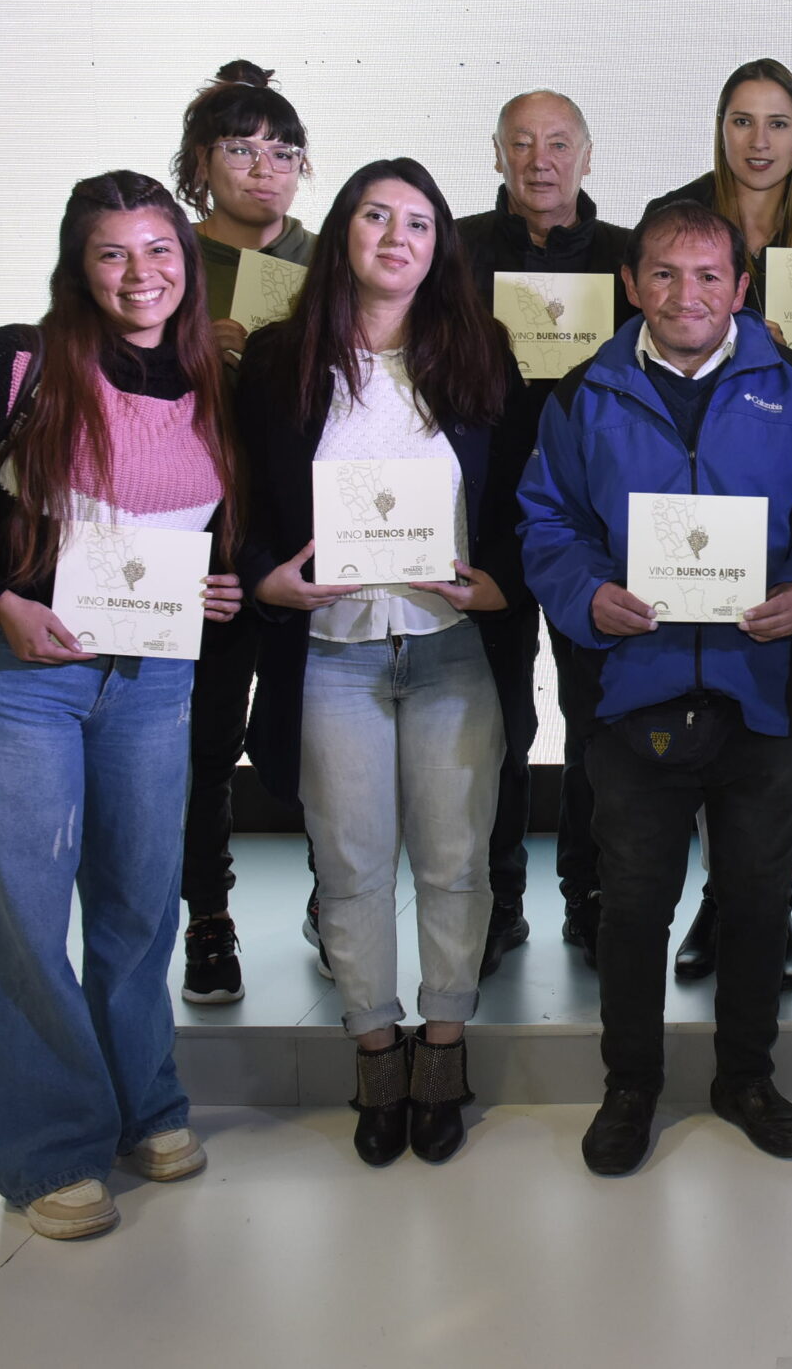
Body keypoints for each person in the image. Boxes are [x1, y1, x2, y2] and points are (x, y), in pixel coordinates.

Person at [0, 170, 243, 1239]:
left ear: (188, 259)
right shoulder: (19, 363)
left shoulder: (211, 376)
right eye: (113, 253)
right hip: (19, 679)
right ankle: (47, 1149)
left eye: (160, 250)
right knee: (21, 919)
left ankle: (146, 1107)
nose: (141, 274)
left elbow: (187, 525)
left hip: (153, 676)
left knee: (140, 906)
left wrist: (215, 585)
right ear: (79, 267)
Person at [519, 200, 792, 1177]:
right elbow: (545, 520)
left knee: (757, 897)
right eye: (666, 274)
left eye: (710, 275)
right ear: (631, 284)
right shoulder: (582, 394)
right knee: (633, 905)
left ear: (742, 287)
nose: (688, 295)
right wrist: (587, 594)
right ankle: (630, 1085)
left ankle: (746, 1077)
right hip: (630, 693)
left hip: (762, 690)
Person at [235, 158, 527, 1168]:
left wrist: (501, 582)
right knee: (350, 864)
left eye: (418, 222)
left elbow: (522, 497)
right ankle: (374, 1050)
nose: (397, 237)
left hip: (451, 648)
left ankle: (442, 1048)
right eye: (375, 215)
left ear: (441, 245)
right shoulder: (277, 361)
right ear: (342, 231)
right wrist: (264, 578)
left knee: (455, 862)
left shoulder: (481, 353)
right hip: (329, 655)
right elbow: (237, 498)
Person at [641, 58, 792, 988]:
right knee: (702, 708)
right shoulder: (672, 219)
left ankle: (768, 900)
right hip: (688, 506)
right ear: (720, 129)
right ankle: (719, 895)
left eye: (778, 122)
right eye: (742, 120)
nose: (759, 141)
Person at [456, 89, 632, 979]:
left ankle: (589, 892)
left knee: (595, 719)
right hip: (479, 522)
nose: (540, 160)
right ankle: (496, 897)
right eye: (521, 143)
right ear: (496, 155)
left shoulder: (628, 257)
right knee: (495, 720)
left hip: (591, 526)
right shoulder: (453, 251)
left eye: (559, 142)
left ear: (588, 156)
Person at [170, 61, 316, 1005]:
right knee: (204, 739)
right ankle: (208, 916)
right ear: (200, 163)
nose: (265, 169)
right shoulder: (167, 258)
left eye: (283, 151)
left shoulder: (332, 255)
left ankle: (335, 898)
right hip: (202, 539)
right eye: (241, 149)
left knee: (321, 736)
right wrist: (198, 354)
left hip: (311, 531)